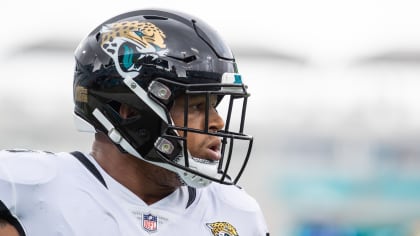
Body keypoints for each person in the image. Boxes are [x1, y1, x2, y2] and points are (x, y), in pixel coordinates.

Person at [0, 8, 269, 236]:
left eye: (214, 106)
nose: (217, 122)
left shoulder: (237, 212)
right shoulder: (28, 187)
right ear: (130, 111)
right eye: (197, 107)